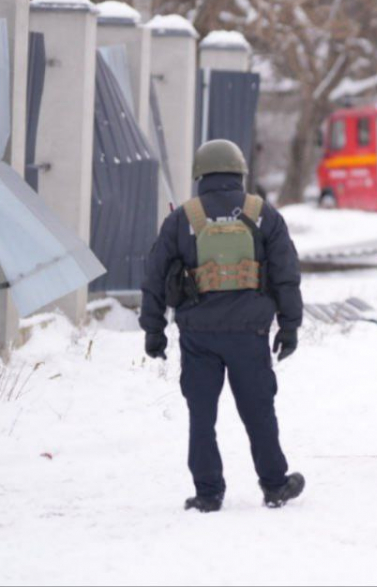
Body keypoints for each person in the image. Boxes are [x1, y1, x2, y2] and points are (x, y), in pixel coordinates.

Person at [139, 139, 305, 512]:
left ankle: (208, 492)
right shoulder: (262, 213)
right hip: (250, 333)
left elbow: (153, 275)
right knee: (259, 411)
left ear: (200, 175)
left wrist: (154, 330)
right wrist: (289, 325)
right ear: (240, 173)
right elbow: (286, 273)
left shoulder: (183, 217)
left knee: (202, 416)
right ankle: (275, 485)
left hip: (198, 335)